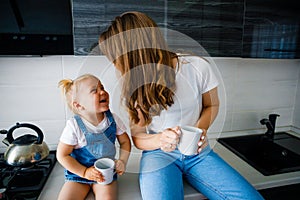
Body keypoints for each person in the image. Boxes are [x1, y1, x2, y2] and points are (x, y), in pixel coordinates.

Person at [99, 11, 264, 200]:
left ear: (133, 54)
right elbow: (138, 136)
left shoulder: (197, 67)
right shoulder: (135, 84)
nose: (116, 65)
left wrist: (199, 131)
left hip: (198, 153)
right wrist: (160, 139)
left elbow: (212, 105)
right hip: (158, 155)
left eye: (116, 59)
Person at [56, 74, 131, 200]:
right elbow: (62, 155)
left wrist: (122, 161)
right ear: (79, 105)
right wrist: (84, 172)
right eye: (94, 91)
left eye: (102, 87)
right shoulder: (74, 126)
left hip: (105, 174)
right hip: (78, 176)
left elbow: (125, 142)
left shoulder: (112, 119)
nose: (102, 92)